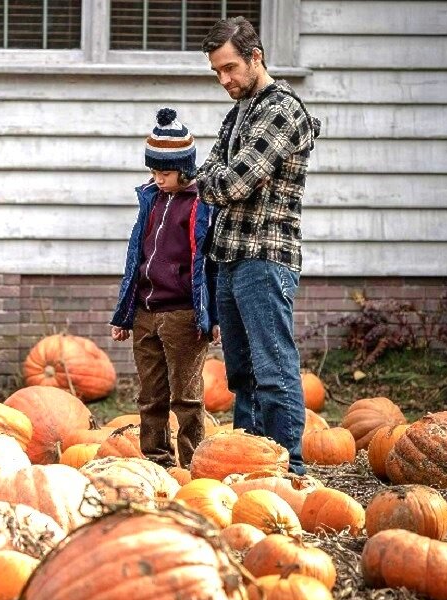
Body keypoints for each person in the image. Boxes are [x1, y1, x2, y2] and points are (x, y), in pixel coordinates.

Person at [194, 17, 322, 475]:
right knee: (242, 375)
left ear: (256, 57)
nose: (224, 80)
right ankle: (250, 464)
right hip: (229, 257)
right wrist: (209, 180)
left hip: (265, 258)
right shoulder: (239, 113)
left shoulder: (282, 109)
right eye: (217, 73)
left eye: (229, 68)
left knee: (273, 369)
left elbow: (233, 182)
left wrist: (207, 181)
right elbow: (208, 173)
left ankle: (291, 469)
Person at [110, 108, 220, 471]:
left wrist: (211, 316)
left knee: (186, 397)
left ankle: (192, 466)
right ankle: (156, 461)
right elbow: (135, 259)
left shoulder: (200, 206)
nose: (158, 178)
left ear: (185, 170)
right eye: (154, 171)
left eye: (165, 172)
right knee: (150, 395)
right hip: (146, 311)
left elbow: (208, 265)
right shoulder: (150, 201)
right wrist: (124, 314)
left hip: (182, 314)